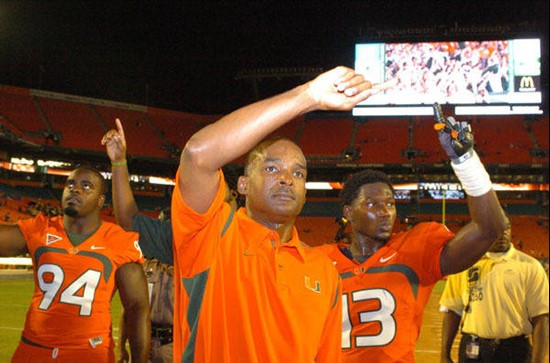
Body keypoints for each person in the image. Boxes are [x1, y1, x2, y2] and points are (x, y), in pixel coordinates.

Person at [165, 66, 385, 362]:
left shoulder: (324, 271)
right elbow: (198, 155)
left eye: (298, 173)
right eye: (272, 168)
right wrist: (309, 97)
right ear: (242, 184)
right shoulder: (212, 235)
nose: (286, 178)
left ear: (305, 191)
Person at [316, 104, 509, 362]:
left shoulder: (414, 250)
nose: (385, 211)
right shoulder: (318, 263)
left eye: (390, 204)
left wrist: (466, 162)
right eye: (372, 204)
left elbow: (489, 229)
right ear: (349, 213)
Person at [101, 119, 243, 363]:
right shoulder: (186, 236)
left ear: (235, 195)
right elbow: (128, 219)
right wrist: (119, 162)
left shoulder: (257, 237)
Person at [0, 166, 150, 362]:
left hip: (88, 351)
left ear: (100, 200)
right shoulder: (40, 229)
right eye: (70, 184)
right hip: (33, 349)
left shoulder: (118, 241)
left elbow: (137, 308)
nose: (75, 189)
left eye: (86, 186)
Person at [439, 223, 549, 363]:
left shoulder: (530, 267)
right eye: (498, 227)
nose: (503, 232)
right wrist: (444, 354)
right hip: (473, 348)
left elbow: (541, 319)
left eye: (507, 227)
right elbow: (453, 310)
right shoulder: (465, 263)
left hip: (514, 350)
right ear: (485, 231)